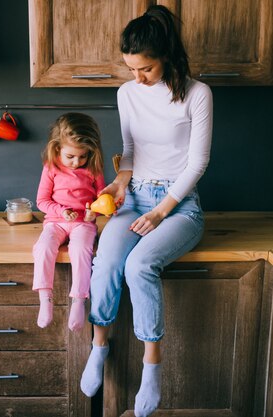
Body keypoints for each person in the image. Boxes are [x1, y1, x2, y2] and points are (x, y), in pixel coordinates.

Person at [79, 5, 213, 417]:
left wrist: (160, 213)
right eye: (131, 69)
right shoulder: (126, 93)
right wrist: (118, 184)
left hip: (179, 209)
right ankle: (99, 345)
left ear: (167, 57)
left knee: (139, 265)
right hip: (134, 198)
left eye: (146, 69)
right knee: (105, 262)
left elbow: (197, 164)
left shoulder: (198, 93)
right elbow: (132, 154)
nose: (137, 78)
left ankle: (151, 365)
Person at [33, 113, 106, 332]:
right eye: (71, 156)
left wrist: (95, 211)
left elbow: (102, 198)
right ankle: (45, 299)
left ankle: (79, 300)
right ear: (56, 149)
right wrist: (61, 211)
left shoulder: (93, 169)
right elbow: (42, 201)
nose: (77, 162)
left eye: (82, 156)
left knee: (81, 249)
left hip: (84, 223)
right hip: (56, 222)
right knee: (43, 248)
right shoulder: (51, 168)